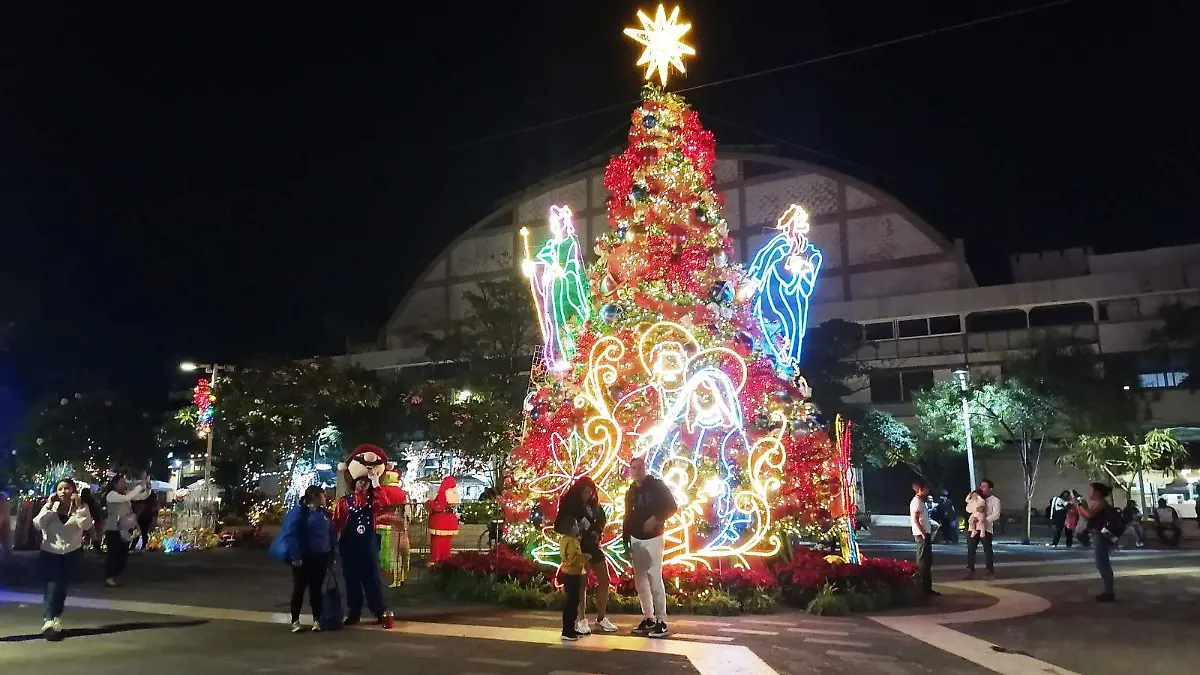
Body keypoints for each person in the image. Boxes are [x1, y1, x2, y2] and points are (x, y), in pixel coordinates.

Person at [622, 456, 677, 638]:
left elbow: (672, 506)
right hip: (636, 538)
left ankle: (662, 621)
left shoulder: (656, 486)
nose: (635, 471)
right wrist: (625, 541)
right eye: (632, 468)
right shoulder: (631, 492)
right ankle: (649, 618)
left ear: (644, 468)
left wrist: (656, 518)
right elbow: (627, 515)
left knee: (654, 576)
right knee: (640, 580)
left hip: (653, 537)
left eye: (638, 467)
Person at [333, 474, 395, 627]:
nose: (363, 484)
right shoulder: (345, 502)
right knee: (351, 581)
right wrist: (331, 545)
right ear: (355, 483)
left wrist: (376, 483)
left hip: (368, 546)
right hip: (350, 546)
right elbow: (336, 523)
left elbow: (385, 504)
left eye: (366, 482)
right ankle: (354, 613)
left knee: (372, 580)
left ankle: (379, 611)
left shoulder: (373, 501)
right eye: (361, 481)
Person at [33, 479, 93, 638]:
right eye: (60, 489)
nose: (63, 492)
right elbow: (38, 524)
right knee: (52, 585)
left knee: (61, 587)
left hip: (70, 552)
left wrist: (80, 508)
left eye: (67, 488)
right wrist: (49, 507)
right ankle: (48, 620)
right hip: (49, 552)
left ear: (73, 491)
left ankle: (56, 618)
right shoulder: (50, 507)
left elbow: (86, 525)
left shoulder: (81, 508)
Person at [272, 485, 334, 632]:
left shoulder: (324, 513)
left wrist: (331, 554)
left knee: (316, 590)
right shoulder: (300, 513)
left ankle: (317, 620)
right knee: (299, 589)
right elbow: (292, 535)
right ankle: (295, 621)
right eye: (323, 496)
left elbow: (330, 534)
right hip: (303, 557)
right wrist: (296, 556)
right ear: (315, 497)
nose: (325, 498)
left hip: (321, 557)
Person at [561, 477, 617, 635]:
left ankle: (601, 618)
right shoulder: (572, 506)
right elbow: (562, 523)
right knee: (582, 584)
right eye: (585, 492)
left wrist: (597, 530)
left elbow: (601, 519)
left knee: (604, 580)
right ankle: (581, 619)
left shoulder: (595, 506)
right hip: (580, 547)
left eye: (591, 492)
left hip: (594, 545)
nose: (588, 495)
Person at [102, 471, 150, 586]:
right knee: (114, 554)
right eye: (122, 482)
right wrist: (140, 485)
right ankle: (109, 577)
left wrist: (147, 488)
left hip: (124, 529)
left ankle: (115, 575)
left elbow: (141, 496)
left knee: (123, 554)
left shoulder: (123, 495)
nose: (124, 484)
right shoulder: (112, 495)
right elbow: (129, 497)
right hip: (113, 529)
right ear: (114, 484)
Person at [1074, 482, 1117, 602]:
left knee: (1102, 563)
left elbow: (1089, 515)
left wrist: (1079, 505)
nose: (1088, 493)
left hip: (1101, 535)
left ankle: (1109, 592)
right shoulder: (1097, 503)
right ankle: (1109, 591)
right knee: (1102, 563)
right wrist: (1079, 506)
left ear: (1097, 492)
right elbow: (1085, 515)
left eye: (1090, 490)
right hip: (1097, 535)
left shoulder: (1101, 503)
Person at [555, 512, 589, 642]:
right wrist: (584, 558)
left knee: (573, 601)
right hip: (572, 573)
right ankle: (567, 630)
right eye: (575, 525)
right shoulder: (571, 542)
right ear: (570, 528)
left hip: (572, 573)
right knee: (572, 602)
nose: (578, 527)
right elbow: (572, 559)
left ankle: (570, 628)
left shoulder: (568, 540)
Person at [966, 479, 1000, 580]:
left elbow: (996, 514)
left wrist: (985, 520)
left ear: (990, 488)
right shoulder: (976, 497)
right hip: (973, 527)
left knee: (987, 550)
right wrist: (976, 509)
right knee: (971, 549)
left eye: (985, 486)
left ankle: (989, 571)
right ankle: (970, 569)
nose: (982, 488)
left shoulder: (995, 500)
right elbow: (968, 508)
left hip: (986, 528)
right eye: (981, 486)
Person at [910, 479, 937, 595]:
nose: (928, 491)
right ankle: (922, 588)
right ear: (920, 489)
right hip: (922, 535)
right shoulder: (916, 502)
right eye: (926, 488)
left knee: (927, 561)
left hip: (925, 533)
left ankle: (927, 588)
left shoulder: (921, 501)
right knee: (922, 561)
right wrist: (922, 533)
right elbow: (915, 519)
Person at [79, 487, 104, 553]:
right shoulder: (91, 501)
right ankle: (98, 549)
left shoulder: (81, 501)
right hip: (89, 520)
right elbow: (95, 511)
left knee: (81, 536)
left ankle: (80, 548)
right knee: (93, 535)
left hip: (82, 520)